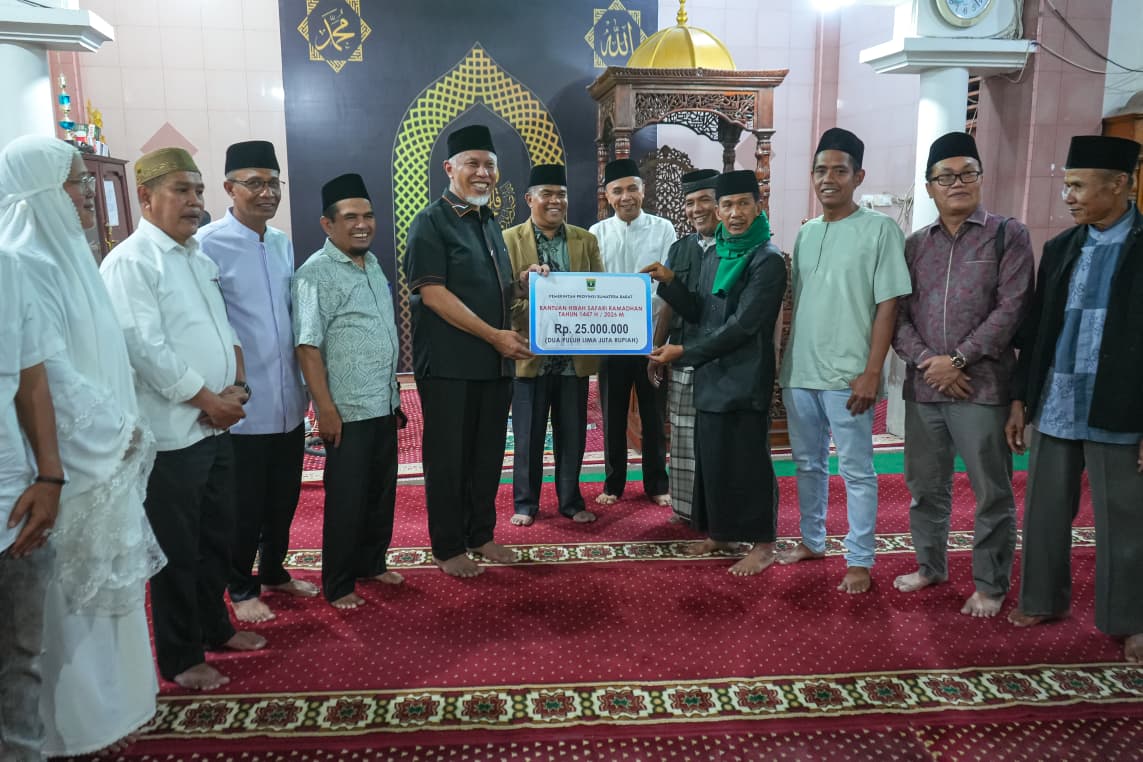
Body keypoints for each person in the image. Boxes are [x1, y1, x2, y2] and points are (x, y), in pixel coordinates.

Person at [0, 135, 167, 757]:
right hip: (69, 465)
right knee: (62, 612)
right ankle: (72, 729)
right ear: (42, 191)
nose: (89, 194)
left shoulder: (71, 256)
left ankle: (115, 714)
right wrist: (115, 433)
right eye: (75, 182)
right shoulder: (24, 261)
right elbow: (48, 378)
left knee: (105, 594)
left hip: (103, 459)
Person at [101, 147, 265, 691]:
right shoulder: (132, 262)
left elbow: (224, 329)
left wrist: (236, 384)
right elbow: (144, 348)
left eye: (198, 190)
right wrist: (209, 400)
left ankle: (216, 627)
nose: (194, 201)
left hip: (215, 423)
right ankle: (180, 655)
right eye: (181, 190)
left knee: (217, 535)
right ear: (145, 197)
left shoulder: (197, 257)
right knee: (177, 548)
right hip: (172, 434)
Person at [1005, 134, 1143, 663]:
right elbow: (1037, 329)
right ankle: (1043, 599)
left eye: (1079, 186)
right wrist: (1021, 399)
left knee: (1124, 519)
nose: (1069, 196)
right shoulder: (1062, 247)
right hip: (1059, 400)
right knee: (1044, 510)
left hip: (1120, 404)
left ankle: (1130, 620)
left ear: (1120, 184)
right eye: (1067, 185)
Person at [890, 131, 1034, 617]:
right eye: (946, 176)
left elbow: (1011, 309)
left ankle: (990, 584)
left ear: (980, 177)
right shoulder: (915, 245)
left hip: (982, 387)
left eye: (967, 173)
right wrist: (930, 363)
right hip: (926, 387)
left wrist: (956, 361)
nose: (957, 183)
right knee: (924, 487)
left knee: (991, 491)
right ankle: (930, 566)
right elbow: (898, 316)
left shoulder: (1007, 234)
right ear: (929, 186)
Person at [776, 127, 912, 594]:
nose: (828, 179)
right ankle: (812, 541)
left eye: (839, 170)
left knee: (856, 469)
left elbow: (888, 306)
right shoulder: (807, 232)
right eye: (820, 170)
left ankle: (859, 559)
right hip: (801, 373)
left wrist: (873, 372)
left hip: (850, 376)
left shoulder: (880, 230)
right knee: (807, 464)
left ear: (859, 176)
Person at [404, 124, 537, 578]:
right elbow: (433, 294)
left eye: (489, 165)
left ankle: (480, 534)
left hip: (493, 366)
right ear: (449, 168)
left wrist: (523, 283)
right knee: (448, 460)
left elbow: (494, 288)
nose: (483, 173)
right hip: (450, 366)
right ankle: (448, 547)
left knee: (486, 456)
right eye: (472, 164)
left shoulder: (489, 221)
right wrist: (495, 336)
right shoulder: (431, 222)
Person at [643, 169, 787, 575]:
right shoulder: (717, 253)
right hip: (711, 373)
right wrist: (670, 282)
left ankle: (763, 543)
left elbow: (743, 326)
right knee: (714, 458)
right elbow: (699, 311)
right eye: (728, 205)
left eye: (743, 204)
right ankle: (721, 533)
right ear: (719, 211)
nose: (735, 213)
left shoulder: (767, 259)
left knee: (748, 462)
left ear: (758, 207)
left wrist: (685, 351)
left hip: (744, 376)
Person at [199, 140, 315, 624]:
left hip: (288, 396)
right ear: (229, 188)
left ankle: (273, 571)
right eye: (254, 183)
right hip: (243, 401)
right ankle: (241, 586)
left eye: (273, 183)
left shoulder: (282, 241)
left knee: (283, 497)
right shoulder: (207, 244)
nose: (267, 193)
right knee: (243, 505)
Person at [293, 173, 404, 609]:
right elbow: (307, 346)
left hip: (383, 401)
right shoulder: (314, 273)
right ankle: (338, 584)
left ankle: (372, 563)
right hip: (346, 409)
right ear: (328, 224)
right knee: (347, 499)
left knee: (380, 491)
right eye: (351, 217)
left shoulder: (372, 263)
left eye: (368, 216)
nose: (363, 225)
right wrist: (325, 409)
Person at [504, 164, 604, 526]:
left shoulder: (584, 240)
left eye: (561, 194)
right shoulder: (508, 239)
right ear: (529, 199)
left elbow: (599, 292)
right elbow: (502, 298)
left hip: (573, 358)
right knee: (528, 436)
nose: (555, 201)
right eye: (546, 194)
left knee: (572, 434)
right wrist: (540, 311)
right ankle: (525, 503)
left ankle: (571, 501)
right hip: (529, 352)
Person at [0, 248, 64, 762]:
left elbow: (30, 375)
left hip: (14, 504)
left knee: (22, 659)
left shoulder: (7, 267)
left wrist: (49, 474)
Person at [588, 158, 676, 508]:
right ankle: (614, 484)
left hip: (652, 338)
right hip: (611, 338)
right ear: (607, 195)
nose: (626, 196)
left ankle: (657, 483)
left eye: (632, 189)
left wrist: (658, 337)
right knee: (613, 414)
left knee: (654, 414)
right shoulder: (597, 233)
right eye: (618, 191)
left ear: (643, 190)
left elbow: (667, 287)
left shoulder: (663, 229)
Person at [648, 169, 720, 524]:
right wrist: (655, 349)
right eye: (690, 202)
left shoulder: (734, 248)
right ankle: (686, 509)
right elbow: (669, 305)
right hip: (681, 353)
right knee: (683, 434)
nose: (696, 209)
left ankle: (716, 513)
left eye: (705, 200)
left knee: (717, 439)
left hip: (720, 359)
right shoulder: (680, 249)